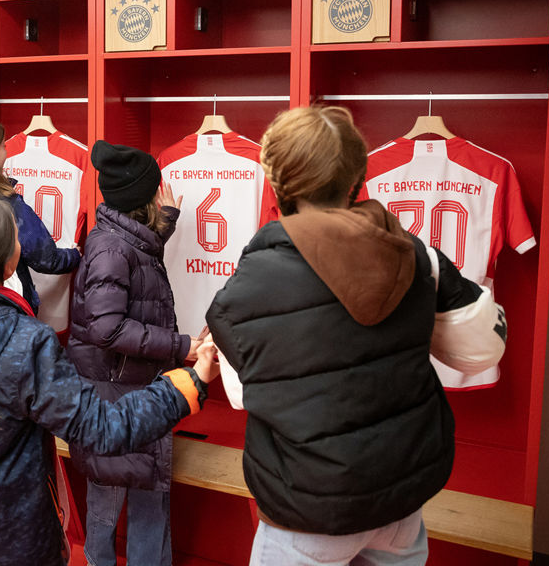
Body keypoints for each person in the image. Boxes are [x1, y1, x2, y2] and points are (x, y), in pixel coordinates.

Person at [205, 106, 507, 565]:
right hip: (399, 501)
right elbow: (483, 348)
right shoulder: (416, 254)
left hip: (307, 509)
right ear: (355, 176)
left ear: (278, 180)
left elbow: (244, 393)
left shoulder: (252, 281)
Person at [0, 197, 217, 566]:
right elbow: (102, 429)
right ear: (10, 263)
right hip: (13, 539)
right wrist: (188, 384)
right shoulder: (25, 340)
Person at [67, 140, 201, 566]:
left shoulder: (118, 239)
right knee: (111, 503)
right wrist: (183, 347)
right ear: (142, 198)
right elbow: (107, 327)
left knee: (146, 494)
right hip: (117, 399)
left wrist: (166, 223)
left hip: (130, 392)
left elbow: (137, 255)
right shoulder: (111, 249)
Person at [0, 115, 79, 316]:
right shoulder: (7, 204)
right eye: (3, 146)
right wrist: (76, 255)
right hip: (7, 306)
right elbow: (46, 259)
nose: (7, 151)